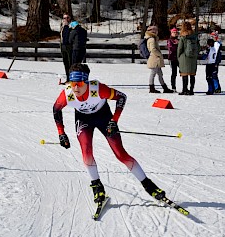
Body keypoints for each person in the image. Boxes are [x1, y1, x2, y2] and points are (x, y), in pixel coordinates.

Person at [53, 63, 167, 204]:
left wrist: (114, 120)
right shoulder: (67, 94)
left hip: (103, 117)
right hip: (83, 119)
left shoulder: (99, 89)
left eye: (80, 83)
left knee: (120, 154)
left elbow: (122, 97)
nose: (76, 87)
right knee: (86, 152)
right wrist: (61, 133)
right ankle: (97, 186)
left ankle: (149, 186)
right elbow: (56, 109)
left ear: (86, 82)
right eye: (73, 83)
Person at [145, 25, 173, 93]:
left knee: (160, 74)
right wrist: (159, 54)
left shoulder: (152, 38)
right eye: (156, 31)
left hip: (156, 59)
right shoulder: (151, 39)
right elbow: (153, 49)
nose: (157, 32)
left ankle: (165, 88)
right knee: (153, 73)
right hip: (154, 59)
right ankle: (151, 88)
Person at [177, 21, 199, 95]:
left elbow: (180, 48)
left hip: (184, 57)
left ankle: (185, 90)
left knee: (184, 74)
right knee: (192, 74)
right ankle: (191, 90)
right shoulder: (195, 37)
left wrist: (178, 56)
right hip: (193, 58)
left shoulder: (183, 37)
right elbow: (198, 47)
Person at [60, 13, 72, 82]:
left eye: (67, 18)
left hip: (69, 46)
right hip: (63, 46)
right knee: (65, 63)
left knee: (70, 63)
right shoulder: (62, 26)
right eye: (64, 18)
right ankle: (68, 78)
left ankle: (71, 79)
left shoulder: (72, 26)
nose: (66, 19)